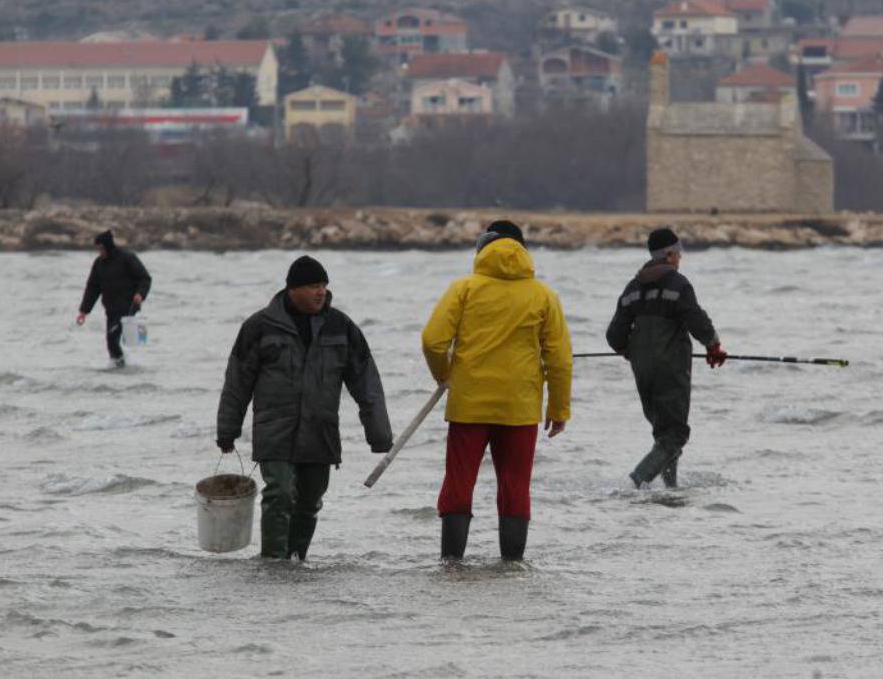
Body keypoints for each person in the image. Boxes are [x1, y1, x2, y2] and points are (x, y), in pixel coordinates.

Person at [215, 255, 393, 560]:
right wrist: (227, 430)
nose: (320, 291)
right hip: (274, 430)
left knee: (310, 502)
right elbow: (237, 383)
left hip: (320, 431)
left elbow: (366, 383)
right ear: (292, 289)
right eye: (313, 286)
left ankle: (296, 561)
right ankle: (273, 563)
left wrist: (379, 435)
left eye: (323, 285)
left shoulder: (341, 327)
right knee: (279, 493)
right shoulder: (259, 326)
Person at [422, 221, 573, 561]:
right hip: (519, 407)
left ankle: (451, 565)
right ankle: (512, 566)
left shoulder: (464, 289)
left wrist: (444, 376)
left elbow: (433, 341)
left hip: (468, 404)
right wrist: (559, 409)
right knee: (515, 486)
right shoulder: (543, 295)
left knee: (459, 483)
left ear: (482, 249)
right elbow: (560, 360)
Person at [605, 227, 727, 489]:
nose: (680, 259)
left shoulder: (632, 288)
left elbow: (614, 337)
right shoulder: (679, 285)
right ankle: (636, 483)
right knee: (674, 436)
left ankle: (670, 489)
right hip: (670, 369)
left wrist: (629, 349)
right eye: (679, 253)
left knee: (664, 434)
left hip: (643, 371)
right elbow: (697, 321)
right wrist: (713, 346)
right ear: (670, 254)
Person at [75, 230, 152, 368]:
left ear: (108, 246)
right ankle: (119, 365)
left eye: (101, 248)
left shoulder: (127, 257)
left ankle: (121, 366)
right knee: (110, 341)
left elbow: (145, 278)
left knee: (112, 337)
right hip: (111, 309)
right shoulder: (99, 264)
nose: (99, 252)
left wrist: (140, 294)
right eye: (97, 249)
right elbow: (92, 288)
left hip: (128, 306)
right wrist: (83, 311)